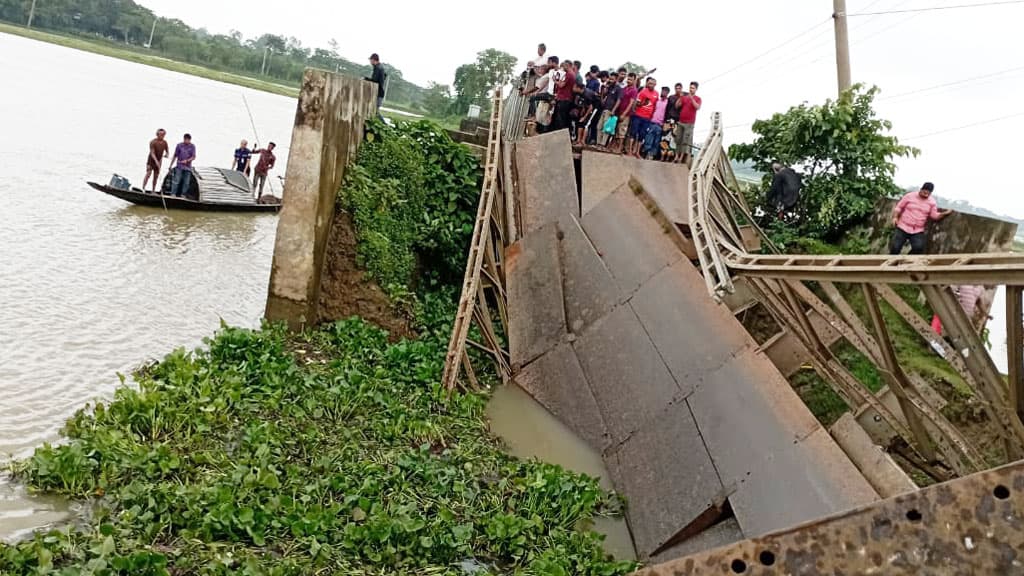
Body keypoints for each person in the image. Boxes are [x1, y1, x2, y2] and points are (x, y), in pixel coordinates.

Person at [890, 182, 952, 255]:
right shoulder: (909, 196)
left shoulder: (932, 202)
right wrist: (895, 217)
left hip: (917, 230)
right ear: (921, 189)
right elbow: (899, 207)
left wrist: (944, 214)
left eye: (928, 194)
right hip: (903, 226)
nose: (926, 195)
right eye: (924, 192)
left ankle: (904, 262)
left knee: (918, 248)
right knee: (895, 247)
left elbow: (934, 216)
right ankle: (891, 264)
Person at [627, 77, 658, 158]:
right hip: (638, 115)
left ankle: (637, 152)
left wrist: (652, 116)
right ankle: (630, 150)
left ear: (655, 84)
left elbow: (654, 106)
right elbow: (637, 103)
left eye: (652, 84)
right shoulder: (643, 92)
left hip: (647, 118)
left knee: (642, 135)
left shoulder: (656, 94)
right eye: (649, 83)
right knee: (633, 133)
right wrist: (643, 103)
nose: (650, 85)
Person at [675, 81, 701, 165]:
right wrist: (680, 97)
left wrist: (692, 98)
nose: (691, 89)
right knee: (678, 139)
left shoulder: (698, 98)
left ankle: (681, 157)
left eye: (693, 88)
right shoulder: (685, 97)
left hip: (689, 123)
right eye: (690, 87)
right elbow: (677, 106)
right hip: (681, 121)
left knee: (685, 141)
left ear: (696, 89)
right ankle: (676, 156)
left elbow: (697, 107)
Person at [613, 73, 638, 153]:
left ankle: (620, 148)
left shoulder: (634, 90)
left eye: (631, 79)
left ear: (634, 80)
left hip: (626, 114)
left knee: (622, 131)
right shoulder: (624, 88)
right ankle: (615, 146)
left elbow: (631, 104)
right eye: (628, 79)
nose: (628, 81)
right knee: (616, 129)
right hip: (619, 111)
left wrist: (624, 114)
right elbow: (619, 100)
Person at [596, 71, 622, 147]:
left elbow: (619, 100)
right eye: (610, 79)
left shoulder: (619, 89)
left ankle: (602, 144)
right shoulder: (610, 87)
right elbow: (603, 98)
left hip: (610, 110)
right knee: (599, 126)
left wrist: (613, 110)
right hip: (604, 109)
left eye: (612, 79)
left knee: (606, 128)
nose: (610, 80)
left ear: (616, 79)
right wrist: (604, 90)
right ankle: (598, 143)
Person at [643, 86, 671, 159]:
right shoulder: (657, 101)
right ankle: (646, 153)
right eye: (662, 91)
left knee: (656, 141)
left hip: (660, 124)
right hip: (652, 122)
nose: (663, 93)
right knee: (648, 139)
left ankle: (652, 155)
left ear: (667, 93)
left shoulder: (668, 103)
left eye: (664, 91)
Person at [551, 60, 577, 132]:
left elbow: (561, 85)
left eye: (564, 65)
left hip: (564, 99)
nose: (563, 67)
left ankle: (560, 134)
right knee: (561, 118)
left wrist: (555, 81)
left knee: (560, 118)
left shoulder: (569, 74)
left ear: (567, 65)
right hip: (564, 98)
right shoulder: (570, 74)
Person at [169, 133, 195, 198]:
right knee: (176, 180)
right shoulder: (179, 145)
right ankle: (173, 193)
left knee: (186, 182)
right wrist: (170, 165)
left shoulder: (192, 146)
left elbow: (193, 157)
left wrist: (187, 161)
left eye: (188, 140)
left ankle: (183, 194)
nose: (186, 141)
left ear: (190, 140)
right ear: (184, 139)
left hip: (188, 167)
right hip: (179, 166)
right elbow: (175, 155)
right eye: (185, 139)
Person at [143, 128, 168, 194]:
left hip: (159, 161)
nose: (162, 136)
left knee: (156, 176)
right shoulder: (153, 142)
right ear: (157, 134)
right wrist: (156, 161)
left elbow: (167, 151)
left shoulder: (164, 142)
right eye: (161, 134)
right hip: (151, 161)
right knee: (148, 174)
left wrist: (167, 154)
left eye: (163, 134)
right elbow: (152, 153)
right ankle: (143, 188)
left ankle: (153, 191)